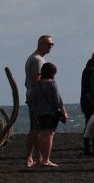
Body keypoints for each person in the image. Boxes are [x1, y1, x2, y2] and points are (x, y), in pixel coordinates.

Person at [28, 62, 67, 167]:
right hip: (50, 113)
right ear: (52, 73)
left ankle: (41, 159)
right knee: (49, 136)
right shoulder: (52, 83)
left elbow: (32, 99)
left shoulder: (36, 84)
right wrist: (64, 112)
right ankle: (46, 160)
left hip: (39, 113)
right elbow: (57, 101)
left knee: (41, 135)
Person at [23, 34, 54, 168]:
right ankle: (30, 158)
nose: (51, 47)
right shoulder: (38, 60)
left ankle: (37, 157)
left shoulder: (35, 58)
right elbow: (37, 81)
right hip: (36, 99)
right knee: (35, 129)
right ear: (41, 44)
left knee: (36, 128)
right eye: (48, 44)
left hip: (32, 97)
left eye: (52, 44)